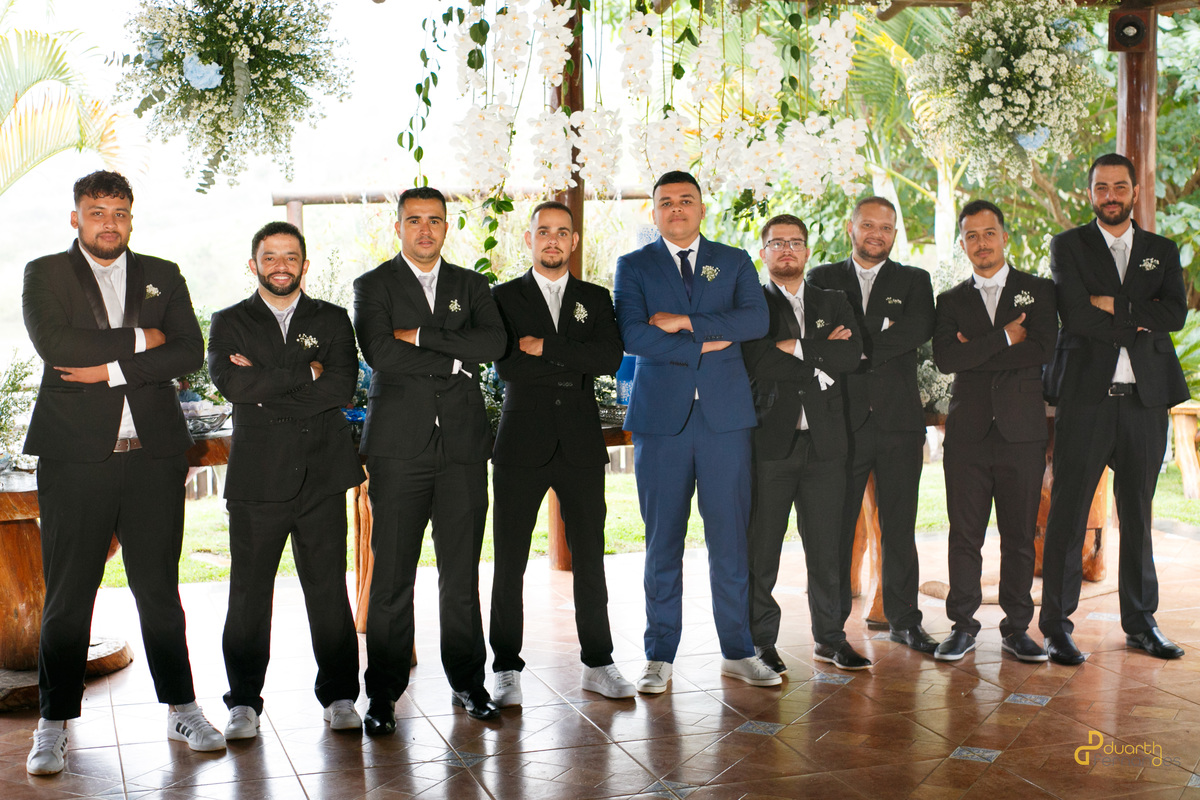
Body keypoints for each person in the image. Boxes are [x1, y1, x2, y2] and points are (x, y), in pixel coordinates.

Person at [21, 170, 223, 775]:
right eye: (97, 212)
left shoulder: (163, 273)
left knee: (159, 590)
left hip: (154, 457)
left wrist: (110, 369)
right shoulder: (45, 273)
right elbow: (58, 347)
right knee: (68, 594)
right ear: (76, 217)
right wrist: (144, 337)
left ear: (131, 218)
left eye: (119, 213)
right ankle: (53, 721)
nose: (109, 224)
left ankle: (182, 707)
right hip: (75, 459)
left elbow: (189, 350)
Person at [613, 170, 779, 693]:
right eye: (666, 202)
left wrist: (685, 324)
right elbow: (633, 334)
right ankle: (659, 655)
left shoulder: (733, 259)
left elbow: (754, 321)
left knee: (730, 540)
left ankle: (738, 651)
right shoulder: (633, 265)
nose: (677, 209)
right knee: (662, 541)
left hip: (725, 420)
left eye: (686, 200)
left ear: (702, 208)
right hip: (661, 422)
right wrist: (707, 341)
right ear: (654, 212)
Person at [353, 186, 507, 731]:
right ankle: (383, 694)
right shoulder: (372, 285)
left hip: (463, 449)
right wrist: (451, 361)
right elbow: (379, 351)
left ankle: (468, 682)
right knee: (392, 577)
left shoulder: (472, 284)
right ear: (398, 227)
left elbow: (493, 345)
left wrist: (419, 335)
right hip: (398, 450)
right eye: (414, 220)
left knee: (461, 575)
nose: (425, 229)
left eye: (435, 220)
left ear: (446, 227)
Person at [208, 221, 366, 738]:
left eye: (290, 257)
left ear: (305, 264)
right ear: (253, 264)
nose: (281, 266)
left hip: (322, 476)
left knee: (328, 592)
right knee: (248, 596)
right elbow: (232, 385)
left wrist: (266, 387)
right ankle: (243, 702)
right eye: (270, 257)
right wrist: (306, 373)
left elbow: (341, 387)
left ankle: (340, 696)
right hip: (257, 481)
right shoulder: (229, 321)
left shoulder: (333, 318)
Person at [1039, 154, 1190, 666]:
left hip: (1145, 401)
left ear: (1134, 192)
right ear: (1090, 193)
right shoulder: (1068, 245)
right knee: (1068, 514)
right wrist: (1141, 318)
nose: (1111, 195)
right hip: (1086, 399)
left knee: (1139, 517)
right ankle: (1056, 627)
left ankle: (1142, 624)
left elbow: (1175, 313)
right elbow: (1076, 315)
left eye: (1119, 187)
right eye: (1101, 187)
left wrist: (1114, 304)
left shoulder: (1160, 251)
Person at [488, 201, 634, 704]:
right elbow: (508, 366)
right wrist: (572, 360)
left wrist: (544, 347)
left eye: (562, 232)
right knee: (509, 561)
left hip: (579, 443)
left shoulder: (595, 297)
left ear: (574, 241)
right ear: (529, 239)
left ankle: (599, 662)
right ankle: (505, 666)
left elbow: (609, 358)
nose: (553, 239)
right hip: (520, 443)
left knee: (590, 558)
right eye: (543, 231)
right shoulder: (502, 297)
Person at [806, 197, 937, 654]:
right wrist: (880, 330)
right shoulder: (822, 278)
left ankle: (905, 621)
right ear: (851, 227)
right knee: (837, 528)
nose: (876, 234)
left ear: (894, 234)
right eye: (868, 225)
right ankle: (831, 631)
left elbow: (917, 329)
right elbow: (817, 335)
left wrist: (853, 344)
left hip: (899, 423)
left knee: (899, 527)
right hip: (840, 422)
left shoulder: (915, 280)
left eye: (885, 227)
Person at [931, 200, 1057, 662]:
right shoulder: (949, 301)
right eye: (972, 236)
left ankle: (1017, 628)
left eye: (989, 233)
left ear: (1005, 237)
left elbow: (1042, 350)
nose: (981, 243)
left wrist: (977, 351)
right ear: (962, 243)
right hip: (967, 435)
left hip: (1022, 434)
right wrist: (1004, 338)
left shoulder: (1039, 291)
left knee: (1019, 536)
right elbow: (948, 359)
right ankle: (962, 627)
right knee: (964, 535)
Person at [742, 214, 868, 672]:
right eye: (777, 243)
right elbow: (756, 360)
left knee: (828, 548)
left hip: (826, 444)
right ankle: (760, 641)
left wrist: (792, 346)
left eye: (795, 242)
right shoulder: (752, 302)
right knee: (763, 551)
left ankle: (831, 638)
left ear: (808, 250)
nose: (787, 250)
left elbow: (850, 355)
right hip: (770, 443)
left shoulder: (833, 300)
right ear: (763, 253)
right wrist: (818, 352)